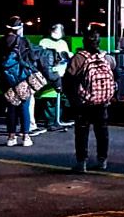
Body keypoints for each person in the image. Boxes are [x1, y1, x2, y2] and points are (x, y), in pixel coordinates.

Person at [64, 28, 115, 172]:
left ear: (84, 41)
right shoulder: (107, 57)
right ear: (99, 41)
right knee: (102, 132)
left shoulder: (79, 58)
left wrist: (71, 99)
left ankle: (82, 163)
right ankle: (102, 161)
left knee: (81, 133)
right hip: (102, 101)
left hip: (83, 102)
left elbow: (68, 79)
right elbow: (114, 75)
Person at [0, 16, 36, 147]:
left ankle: (11, 137)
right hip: (22, 79)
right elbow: (32, 58)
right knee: (24, 107)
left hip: (7, 80)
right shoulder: (23, 41)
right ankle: (26, 137)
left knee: (11, 108)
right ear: (19, 28)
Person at [38, 23, 72, 130]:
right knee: (50, 99)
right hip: (50, 74)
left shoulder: (62, 43)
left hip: (60, 73)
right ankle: (51, 121)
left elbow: (66, 57)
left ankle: (57, 120)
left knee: (59, 99)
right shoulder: (44, 42)